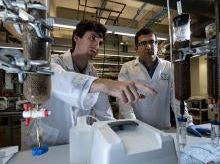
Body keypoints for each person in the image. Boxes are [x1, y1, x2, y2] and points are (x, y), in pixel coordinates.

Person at [23, 20, 156, 148]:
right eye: (92, 38)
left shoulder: (92, 73)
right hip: (47, 141)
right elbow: (61, 80)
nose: (96, 46)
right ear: (76, 38)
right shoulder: (54, 62)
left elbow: (104, 113)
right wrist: (106, 84)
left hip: (78, 142)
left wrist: (124, 135)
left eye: (100, 42)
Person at [118, 27, 210, 137]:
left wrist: (187, 122)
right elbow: (123, 99)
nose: (148, 47)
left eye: (152, 42)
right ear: (136, 48)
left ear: (157, 45)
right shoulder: (127, 68)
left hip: (163, 129)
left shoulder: (168, 66)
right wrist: (132, 123)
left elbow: (176, 98)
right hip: (137, 129)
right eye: (143, 43)